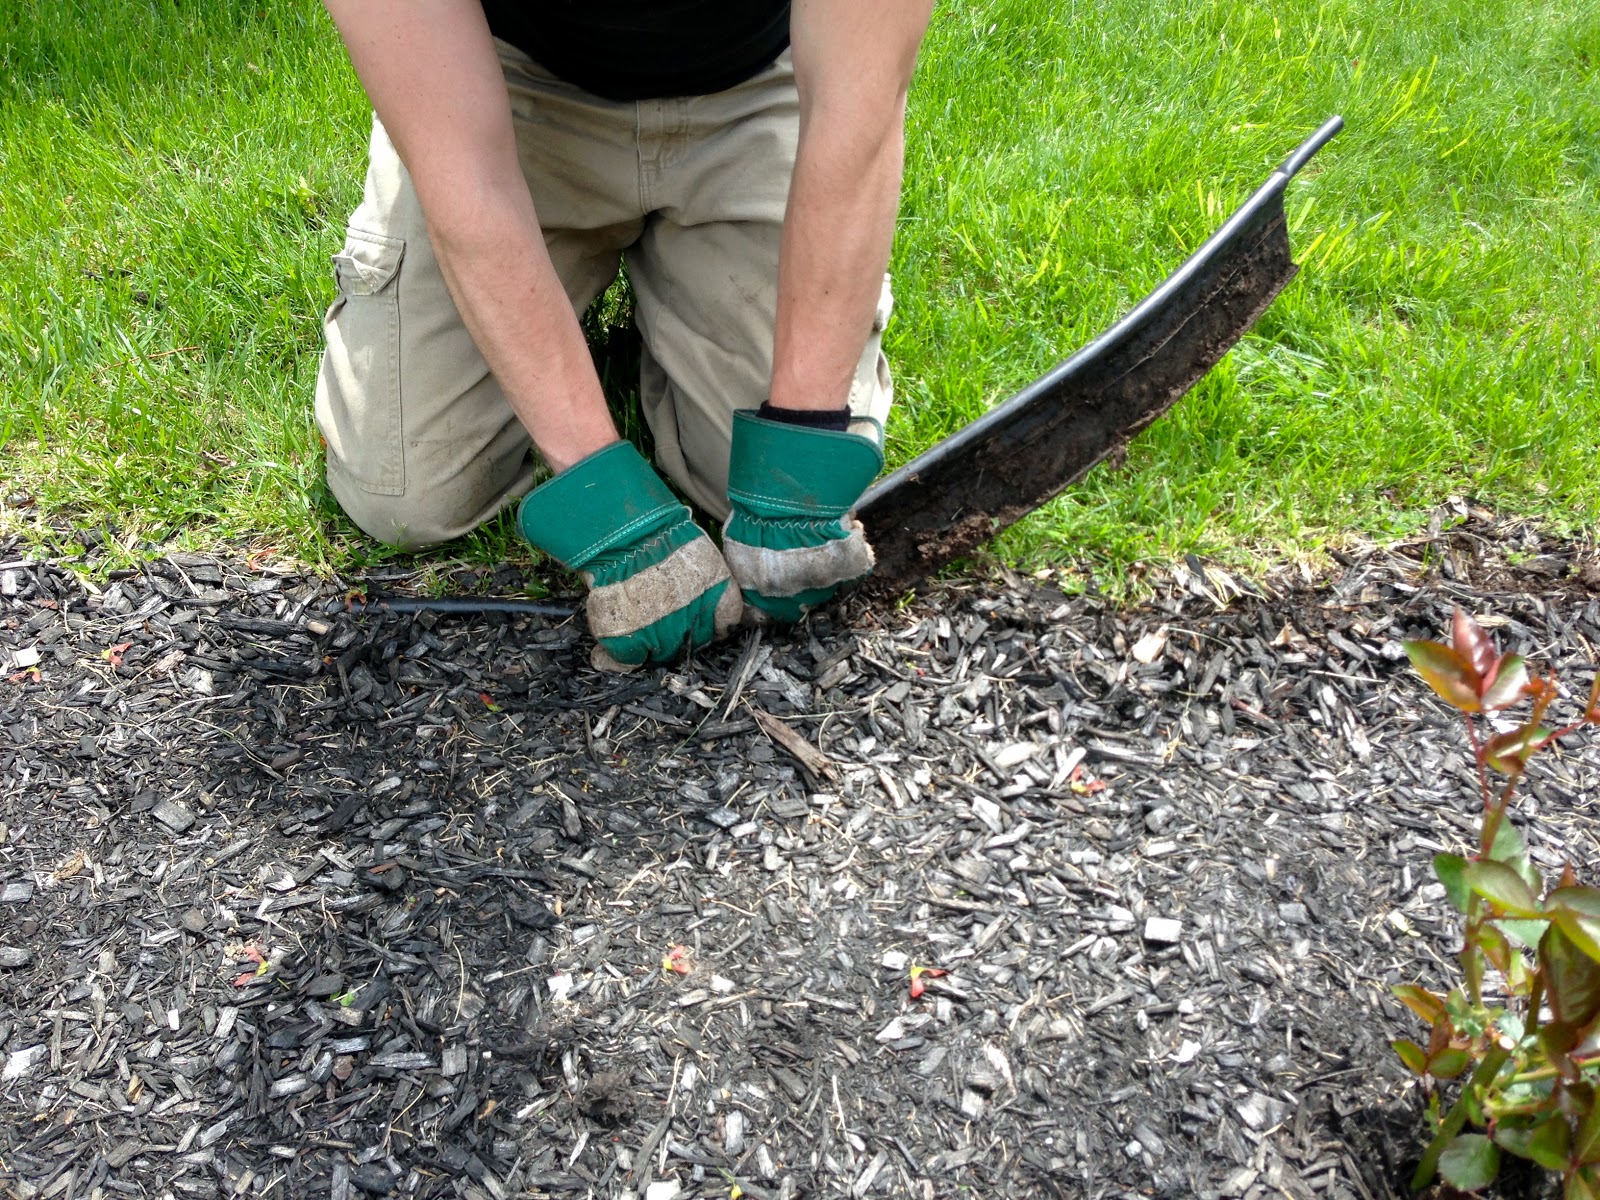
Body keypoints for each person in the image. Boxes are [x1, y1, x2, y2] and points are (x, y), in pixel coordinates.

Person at [315, 0, 933, 669]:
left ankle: (660, 307)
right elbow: (463, 176)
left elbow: (858, 111)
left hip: (756, 88)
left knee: (738, 478)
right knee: (406, 492)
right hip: (510, 90)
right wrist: (603, 500)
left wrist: (800, 447)